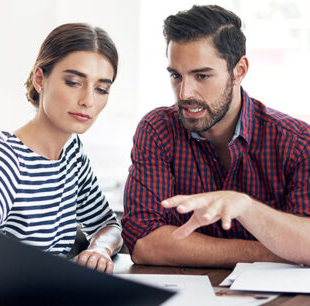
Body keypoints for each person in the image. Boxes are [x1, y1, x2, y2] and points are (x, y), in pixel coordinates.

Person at [0, 23, 123, 304]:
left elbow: (108, 223)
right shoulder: (3, 156)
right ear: (40, 78)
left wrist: (99, 249)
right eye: (74, 82)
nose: (88, 100)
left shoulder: (72, 153)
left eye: (101, 89)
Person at [122, 5, 310, 268]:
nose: (185, 93)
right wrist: (275, 252)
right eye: (176, 75)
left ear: (239, 70)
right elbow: (144, 242)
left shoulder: (297, 143)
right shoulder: (157, 130)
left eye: (202, 75)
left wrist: (246, 208)